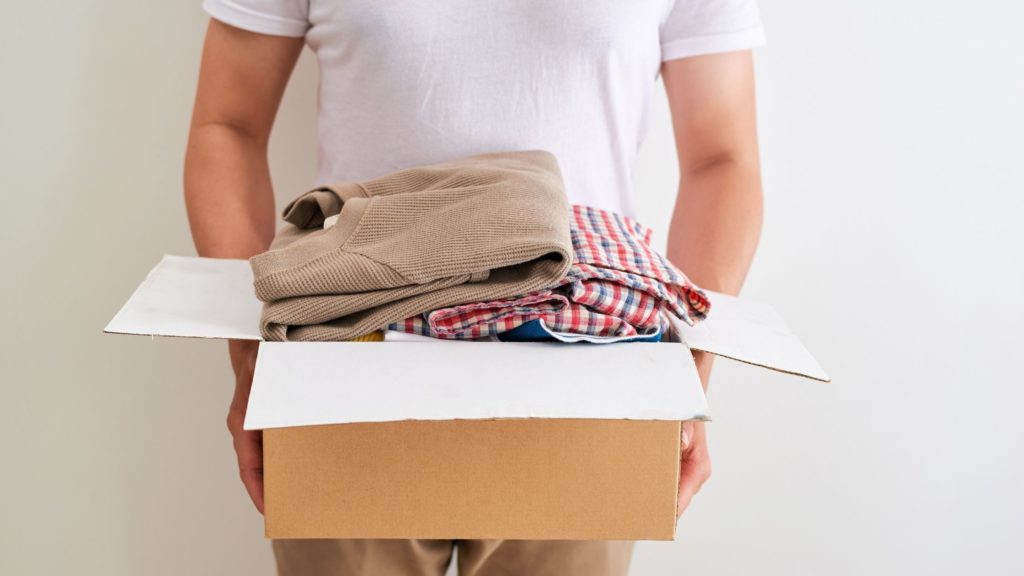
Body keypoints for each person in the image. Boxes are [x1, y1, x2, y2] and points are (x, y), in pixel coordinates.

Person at [184, 1, 765, 574]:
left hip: (589, 375)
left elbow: (722, 158)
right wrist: (250, 358)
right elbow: (228, 126)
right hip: (347, 365)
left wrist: (687, 378)